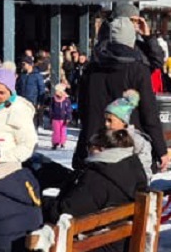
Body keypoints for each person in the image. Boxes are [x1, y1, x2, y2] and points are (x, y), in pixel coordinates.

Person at [71, 11, 166, 172]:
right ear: (131, 40)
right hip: (126, 145)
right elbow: (149, 113)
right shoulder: (137, 70)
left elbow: (83, 109)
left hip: (94, 144)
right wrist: (161, 149)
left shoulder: (92, 69)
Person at [46, 127, 147, 252]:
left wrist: (40, 203)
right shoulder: (132, 167)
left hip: (94, 250)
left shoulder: (97, 178)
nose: (87, 152)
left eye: (89, 147)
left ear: (100, 149)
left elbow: (64, 213)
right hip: (123, 244)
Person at [103, 89, 155, 180]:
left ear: (123, 121)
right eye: (105, 120)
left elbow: (145, 169)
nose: (106, 124)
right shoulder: (102, 138)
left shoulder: (138, 141)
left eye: (110, 120)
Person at [47, 83, 72, 150]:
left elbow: (69, 109)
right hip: (55, 118)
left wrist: (68, 117)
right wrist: (51, 117)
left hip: (63, 118)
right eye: (56, 91)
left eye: (57, 90)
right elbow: (51, 109)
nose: (56, 92)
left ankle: (62, 142)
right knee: (56, 131)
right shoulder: (53, 99)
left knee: (63, 131)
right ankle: (55, 143)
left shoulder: (66, 100)